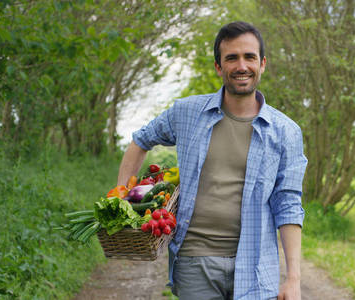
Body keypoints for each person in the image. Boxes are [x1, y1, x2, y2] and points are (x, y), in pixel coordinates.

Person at [116, 21, 307, 300]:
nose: (241, 66)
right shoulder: (187, 112)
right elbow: (140, 140)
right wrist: (121, 198)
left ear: (262, 63)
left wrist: (293, 279)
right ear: (219, 67)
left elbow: (288, 204)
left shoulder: (286, 131)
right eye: (231, 58)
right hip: (195, 263)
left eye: (249, 57)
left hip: (255, 266)